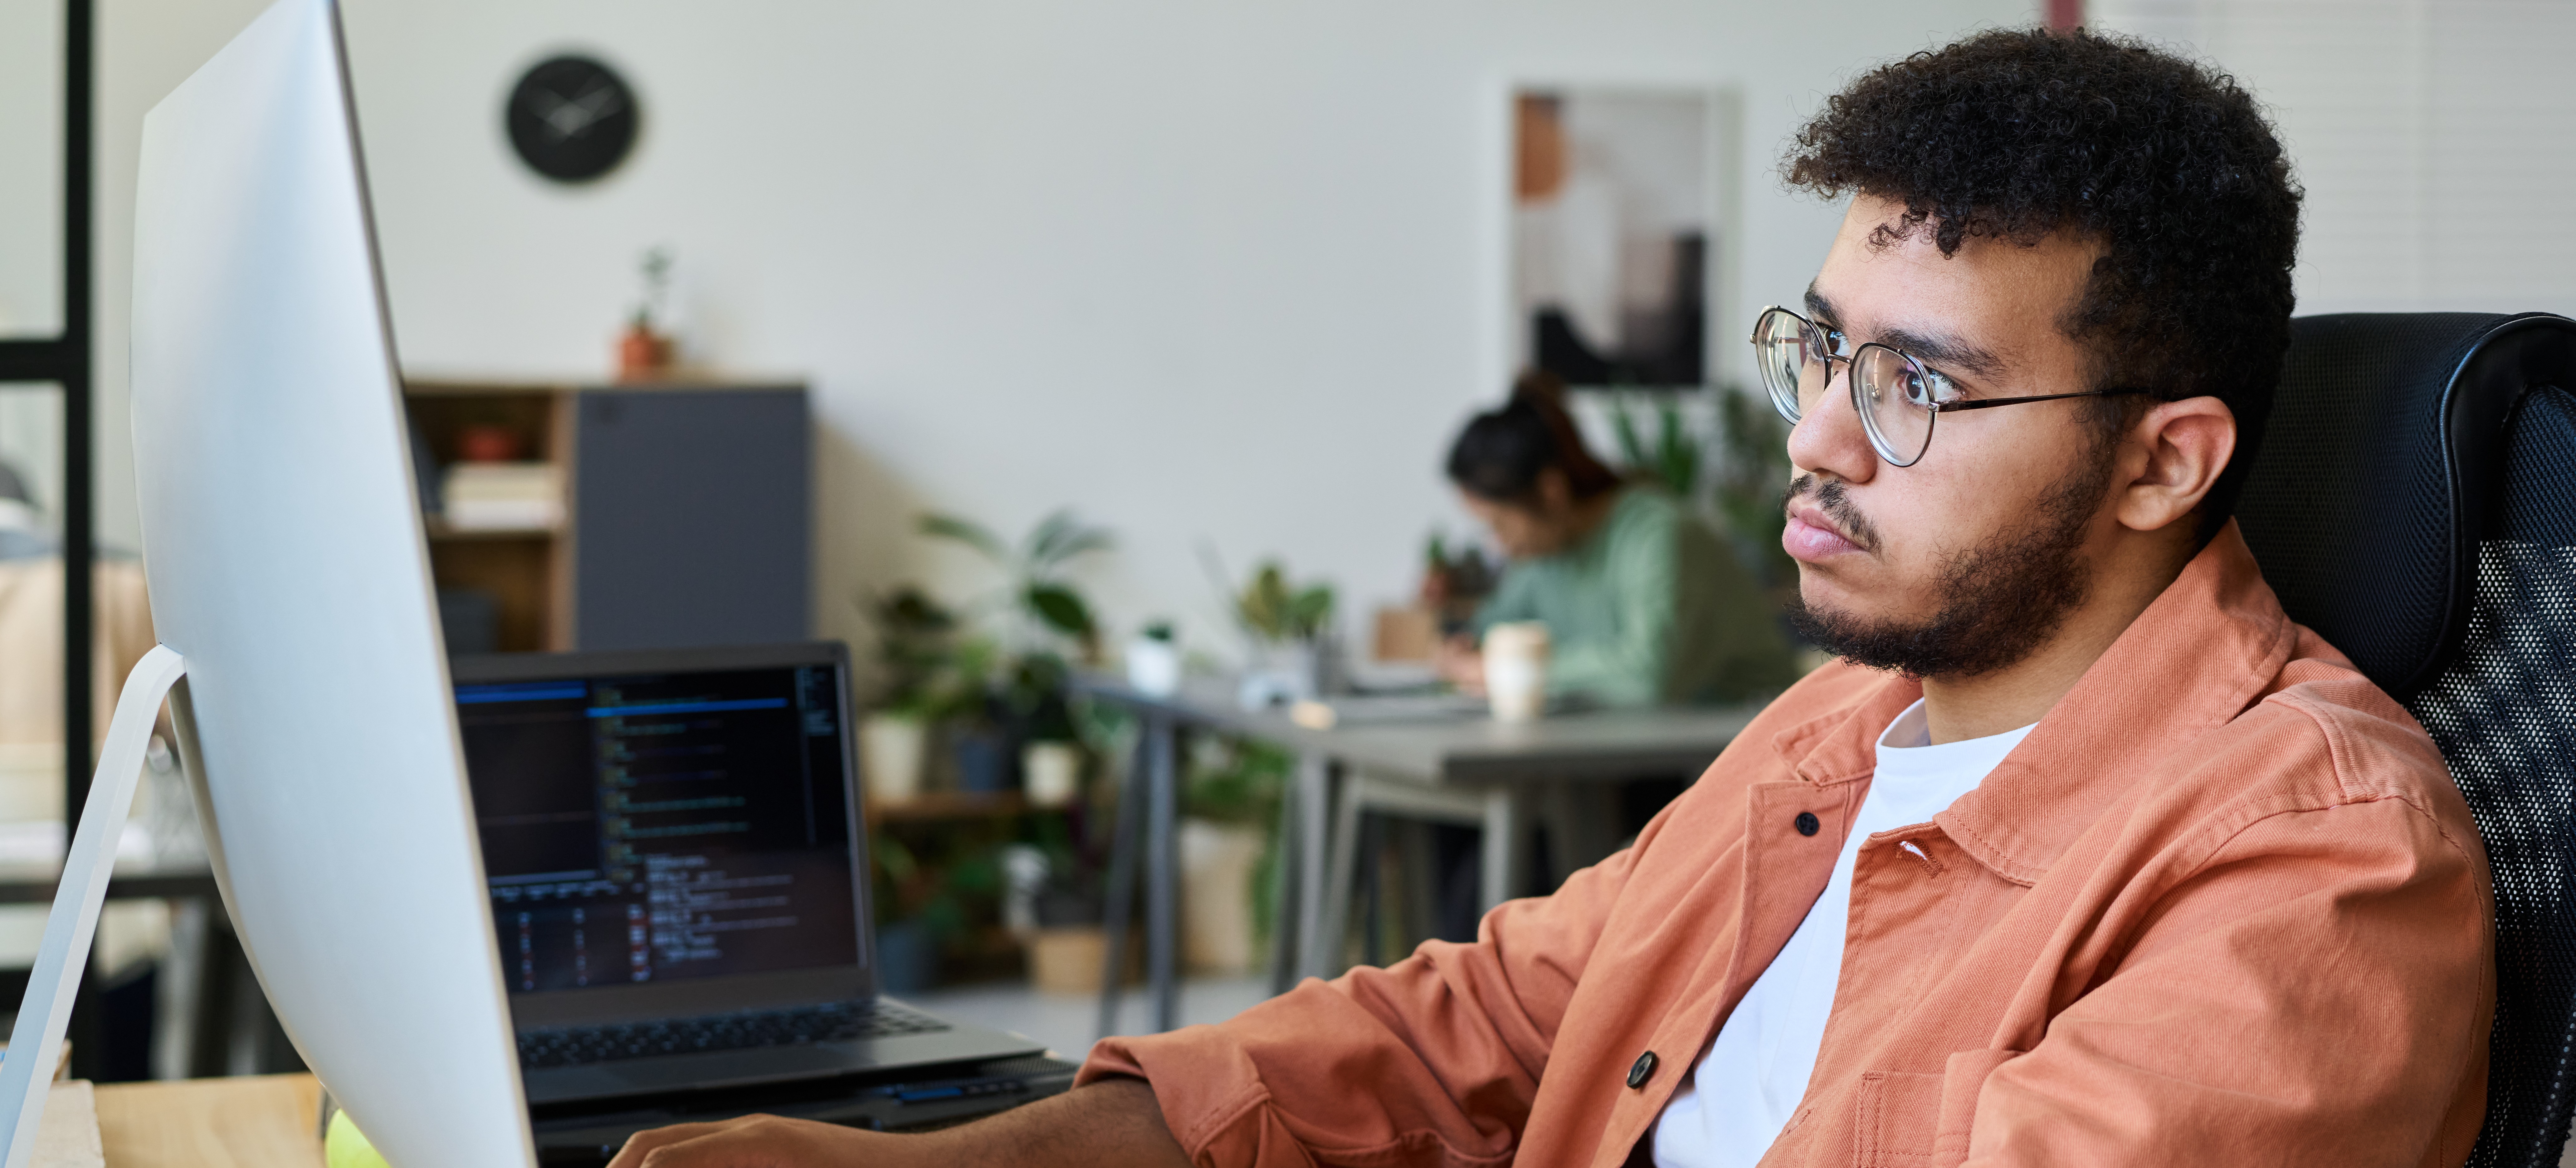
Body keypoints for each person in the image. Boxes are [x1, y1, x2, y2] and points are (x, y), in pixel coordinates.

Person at [610, 28, 2492, 1168]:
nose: (1816, 441)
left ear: (2163, 461)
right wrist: (941, 1155)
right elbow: (1482, 1020)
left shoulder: (2314, 862)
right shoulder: (1842, 723)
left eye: (1917, 382)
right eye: (1818, 349)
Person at [1435, 374, 1799, 708]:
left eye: (1499, 525)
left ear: (1551, 492)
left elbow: (1649, 675)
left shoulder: (1660, 535)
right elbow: (1490, 628)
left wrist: (1511, 672)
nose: (1497, 545)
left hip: (1746, 741)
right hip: (1643, 756)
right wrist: (1464, 651)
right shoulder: (1542, 555)